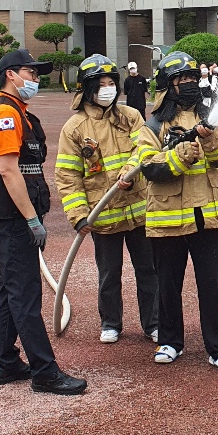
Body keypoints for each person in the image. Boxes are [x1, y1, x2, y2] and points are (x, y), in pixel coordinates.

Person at [0, 49, 87, 395]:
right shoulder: (5, 115)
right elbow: (9, 170)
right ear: (11, 75)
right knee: (25, 294)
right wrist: (31, 220)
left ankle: (7, 362)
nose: (36, 79)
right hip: (14, 219)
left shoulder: (16, 112)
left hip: (14, 218)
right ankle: (44, 371)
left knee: (8, 289)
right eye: (31, 72)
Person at [137, 51, 218, 374]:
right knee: (168, 284)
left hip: (206, 217)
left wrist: (209, 144)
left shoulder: (212, 117)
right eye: (183, 80)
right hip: (167, 219)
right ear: (169, 86)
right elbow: (148, 166)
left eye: (194, 79)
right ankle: (169, 341)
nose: (191, 84)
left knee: (212, 284)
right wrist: (181, 154)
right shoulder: (153, 125)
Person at [55, 55, 158, 346]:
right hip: (103, 217)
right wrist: (78, 215)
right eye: (101, 85)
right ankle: (111, 323)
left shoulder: (130, 116)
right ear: (87, 89)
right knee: (109, 274)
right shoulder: (74, 129)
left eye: (112, 83)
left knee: (149, 271)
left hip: (139, 211)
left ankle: (154, 323)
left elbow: (146, 149)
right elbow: (68, 176)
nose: (108, 89)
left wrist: (130, 171)